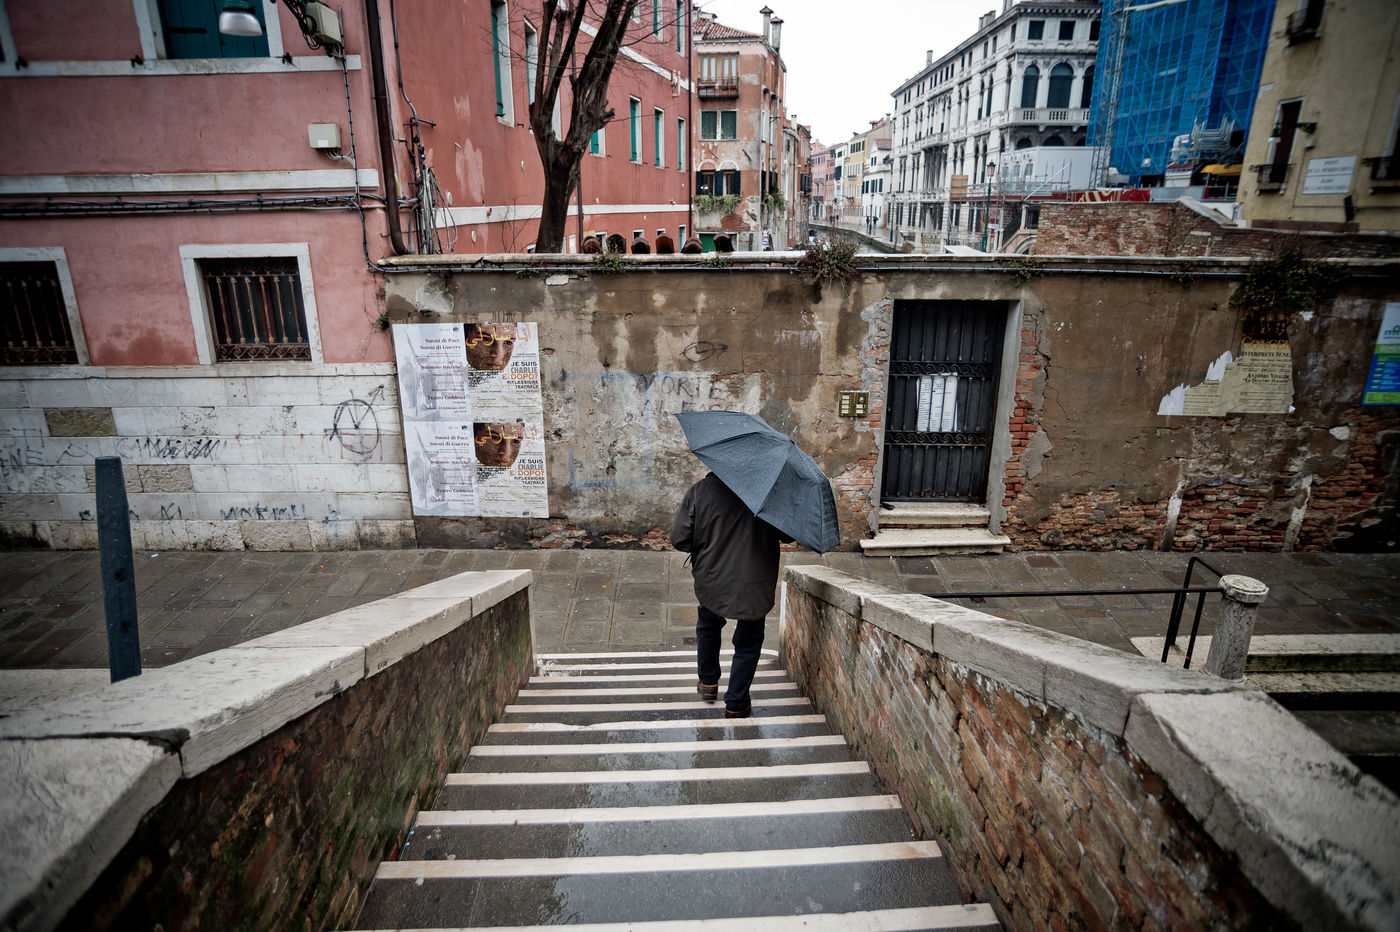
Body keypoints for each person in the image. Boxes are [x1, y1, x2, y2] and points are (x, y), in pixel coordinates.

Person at [670, 472, 788, 718]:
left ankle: (708, 683)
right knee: (749, 642)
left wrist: (707, 542)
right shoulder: (769, 495)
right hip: (755, 580)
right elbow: (788, 534)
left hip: (712, 576)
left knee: (708, 625)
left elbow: (680, 538)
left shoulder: (701, 491)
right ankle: (736, 703)